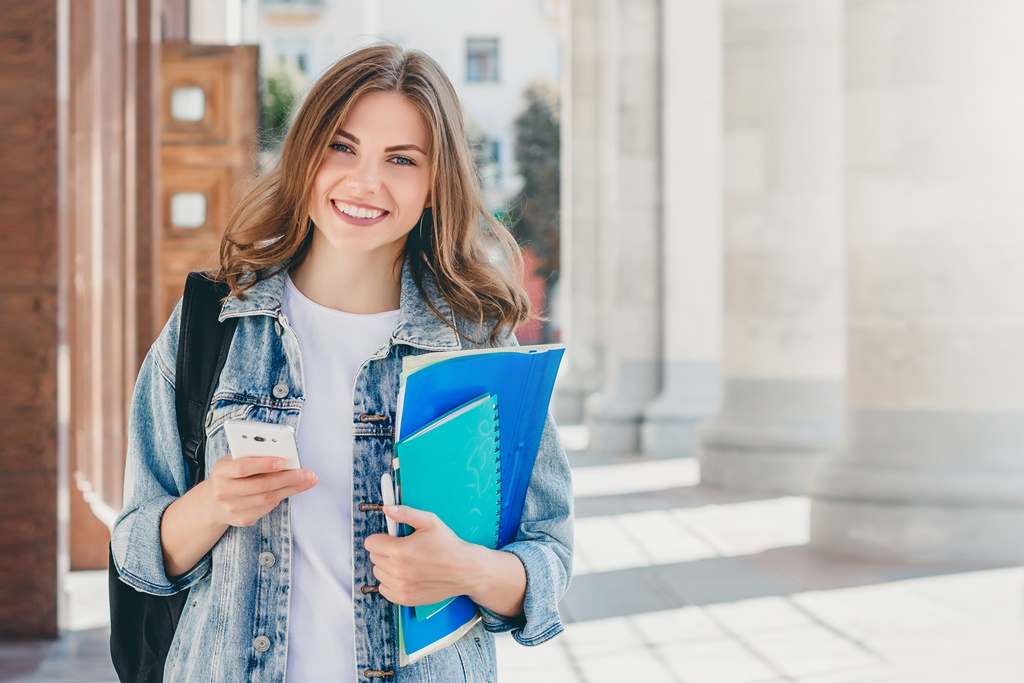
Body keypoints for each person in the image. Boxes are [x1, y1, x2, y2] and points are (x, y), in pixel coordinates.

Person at [111, 44, 573, 682]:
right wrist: (212, 504)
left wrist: (465, 570)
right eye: (342, 147)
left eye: (402, 160)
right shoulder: (214, 323)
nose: (365, 182)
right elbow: (135, 544)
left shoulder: (478, 342)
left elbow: (548, 556)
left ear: (436, 184)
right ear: (305, 156)